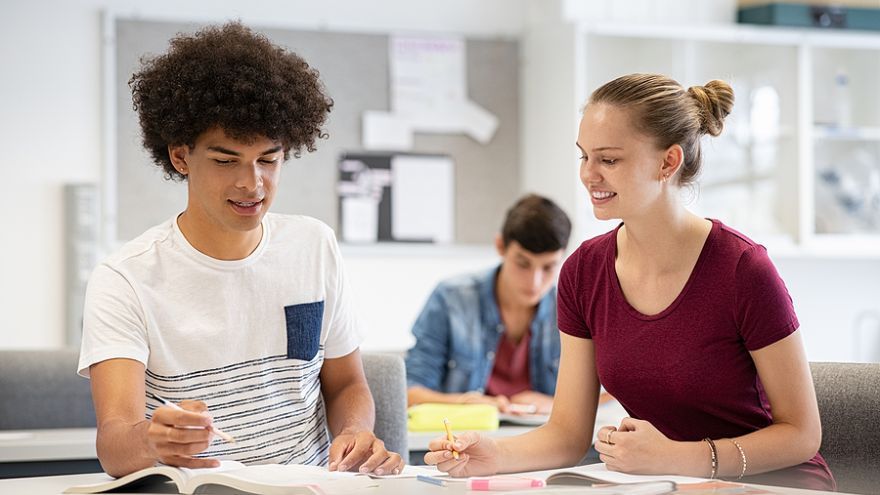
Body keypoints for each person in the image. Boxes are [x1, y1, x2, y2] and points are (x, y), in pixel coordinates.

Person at [423, 73, 836, 491]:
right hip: (667, 483)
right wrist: (495, 455)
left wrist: (681, 458)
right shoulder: (583, 271)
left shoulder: (742, 269)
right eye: (584, 157)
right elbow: (567, 434)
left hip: (772, 484)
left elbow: (802, 435)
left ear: (667, 162)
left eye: (609, 160)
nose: (589, 175)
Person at [77, 22, 403, 478]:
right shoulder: (125, 279)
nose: (252, 184)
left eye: (268, 160)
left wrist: (352, 432)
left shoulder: (314, 246)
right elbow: (114, 445)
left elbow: (347, 383)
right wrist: (152, 439)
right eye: (226, 160)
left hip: (309, 487)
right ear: (180, 156)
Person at [405, 194, 571, 415]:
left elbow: (607, 393)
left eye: (549, 267)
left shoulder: (570, 307)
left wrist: (555, 405)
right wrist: (466, 404)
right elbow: (409, 393)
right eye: (523, 264)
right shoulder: (451, 298)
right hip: (465, 442)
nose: (535, 282)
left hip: (541, 444)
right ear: (500, 246)